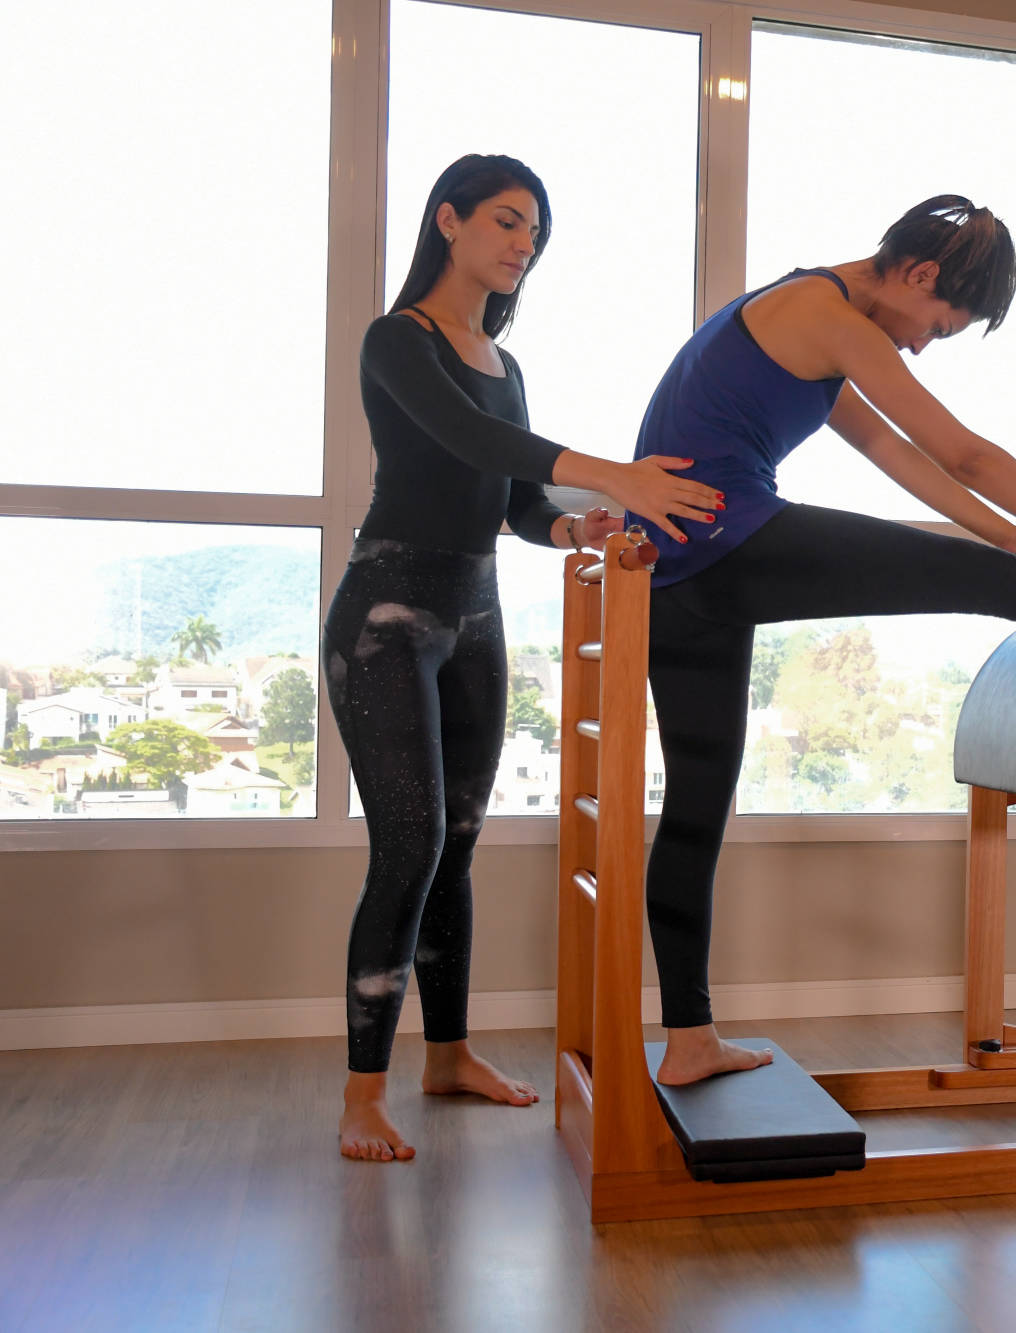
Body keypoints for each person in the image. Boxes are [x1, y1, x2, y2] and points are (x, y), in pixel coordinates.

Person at [631, 194, 1016, 1085]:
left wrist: (997, 530)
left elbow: (892, 454)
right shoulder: (824, 313)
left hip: (672, 571)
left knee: (697, 808)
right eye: (938, 322)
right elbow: (961, 452)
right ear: (918, 275)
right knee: (1003, 588)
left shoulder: (805, 317)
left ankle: (688, 1040)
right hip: (723, 539)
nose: (925, 343)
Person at [325, 154, 720, 1161]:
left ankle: (447, 1053)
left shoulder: (506, 364)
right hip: (386, 619)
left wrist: (575, 525)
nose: (520, 245)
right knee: (406, 850)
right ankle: (360, 1095)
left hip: (475, 619)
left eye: (533, 234)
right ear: (448, 220)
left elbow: (513, 500)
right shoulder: (396, 341)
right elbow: (464, 437)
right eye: (505, 222)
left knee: (455, 846)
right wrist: (616, 475)